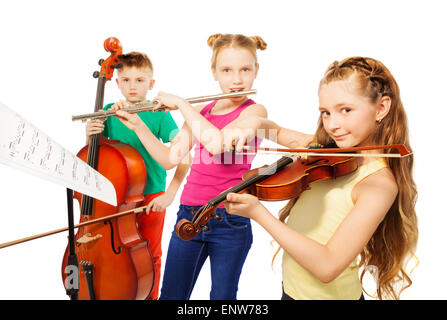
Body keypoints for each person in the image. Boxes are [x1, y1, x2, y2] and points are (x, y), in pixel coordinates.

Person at [225, 56, 418, 300]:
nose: (333, 125)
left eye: (345, 110)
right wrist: (252, 123)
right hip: (292, 291)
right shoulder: (326, 155)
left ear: (381, 108)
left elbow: (327, 266)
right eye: (326, 113)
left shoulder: (378, 185)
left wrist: (258, 214)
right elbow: (275, 130)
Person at [112, 33, 268, 299]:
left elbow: (217, 144)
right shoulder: (202, 114)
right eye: (227, 70)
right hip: (189, 215)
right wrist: (139, 127)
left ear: (256, 71)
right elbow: (169, 159)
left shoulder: (255, 112)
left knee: (222, 298)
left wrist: (183, 104)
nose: (237, 79)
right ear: (214, 73)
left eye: (245, 69)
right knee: (172, 295)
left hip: (231, 221)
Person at [85, 51, 190, 300]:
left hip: (152, 194)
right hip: (115, 197)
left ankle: (149, 297)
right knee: (115, 252)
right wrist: (90, 134)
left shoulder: (160, 113)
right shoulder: (110, 111)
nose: (133, 86)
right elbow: (97, 156)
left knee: (150, 253)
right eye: (127, 80)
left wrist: (170, 193)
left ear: (151, 84)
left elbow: (183, 155)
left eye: (140, 80)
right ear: (117, 82)